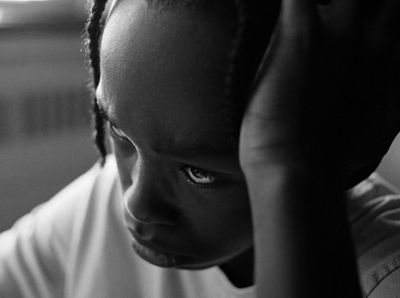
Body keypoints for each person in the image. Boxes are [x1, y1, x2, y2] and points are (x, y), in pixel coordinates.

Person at [1, 0, 400, 297]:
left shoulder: (382, 275)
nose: (137, 204)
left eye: (200, 173)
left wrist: (285, 170)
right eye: (122, 136)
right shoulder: (103, 201)